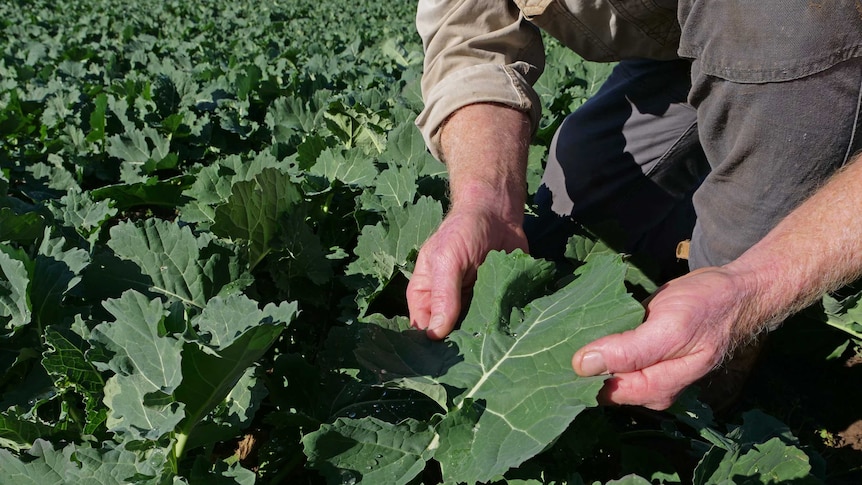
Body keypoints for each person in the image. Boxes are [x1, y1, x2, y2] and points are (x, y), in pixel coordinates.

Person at [406, 0, 862, 410]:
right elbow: (465, 31)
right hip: (684, 31)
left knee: (729, 268)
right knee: (576, 203)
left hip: (807, 21)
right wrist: (485, 200)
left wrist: (753, 287)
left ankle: (715, 401)